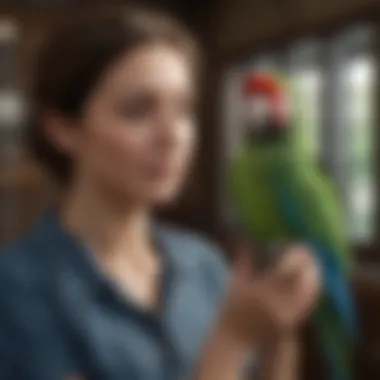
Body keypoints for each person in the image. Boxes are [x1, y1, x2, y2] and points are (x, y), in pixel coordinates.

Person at [0, 6, 320, 380]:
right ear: (64, 129)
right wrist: (231, 340)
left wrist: (280, 334)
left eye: (184, 110)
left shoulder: (205, 265)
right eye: (137, 111)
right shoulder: (17, 290)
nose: (173, 136)